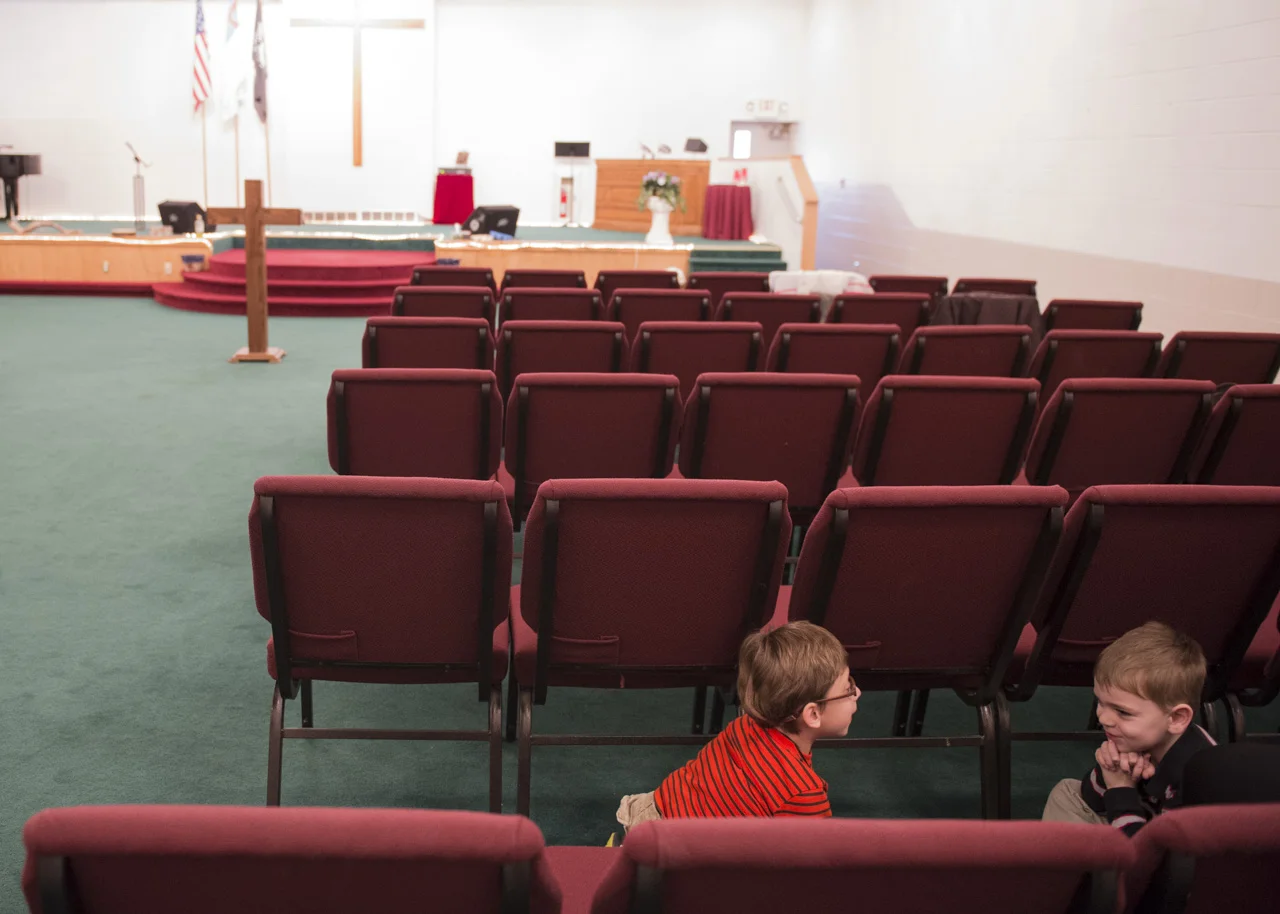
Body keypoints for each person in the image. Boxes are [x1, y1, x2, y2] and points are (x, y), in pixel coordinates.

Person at [615, 621, 858, 830]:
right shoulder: (803, 794)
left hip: (652, 814)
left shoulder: (746, 723)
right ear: (812, 714)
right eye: (847, 688)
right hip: (676, 854)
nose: (857, 693)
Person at [1042, 621, 1214, 834]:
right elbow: (1092, 800)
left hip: (1162, 856)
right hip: (1140, 826)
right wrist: (1110, 771)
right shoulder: (1145, 737)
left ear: (1177, 718)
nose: (1104, 718)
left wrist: (1120, 788)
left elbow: (1156, 859)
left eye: (1122, 712)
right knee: (1067, 792)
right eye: (1100, 702)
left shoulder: (1195, 776)